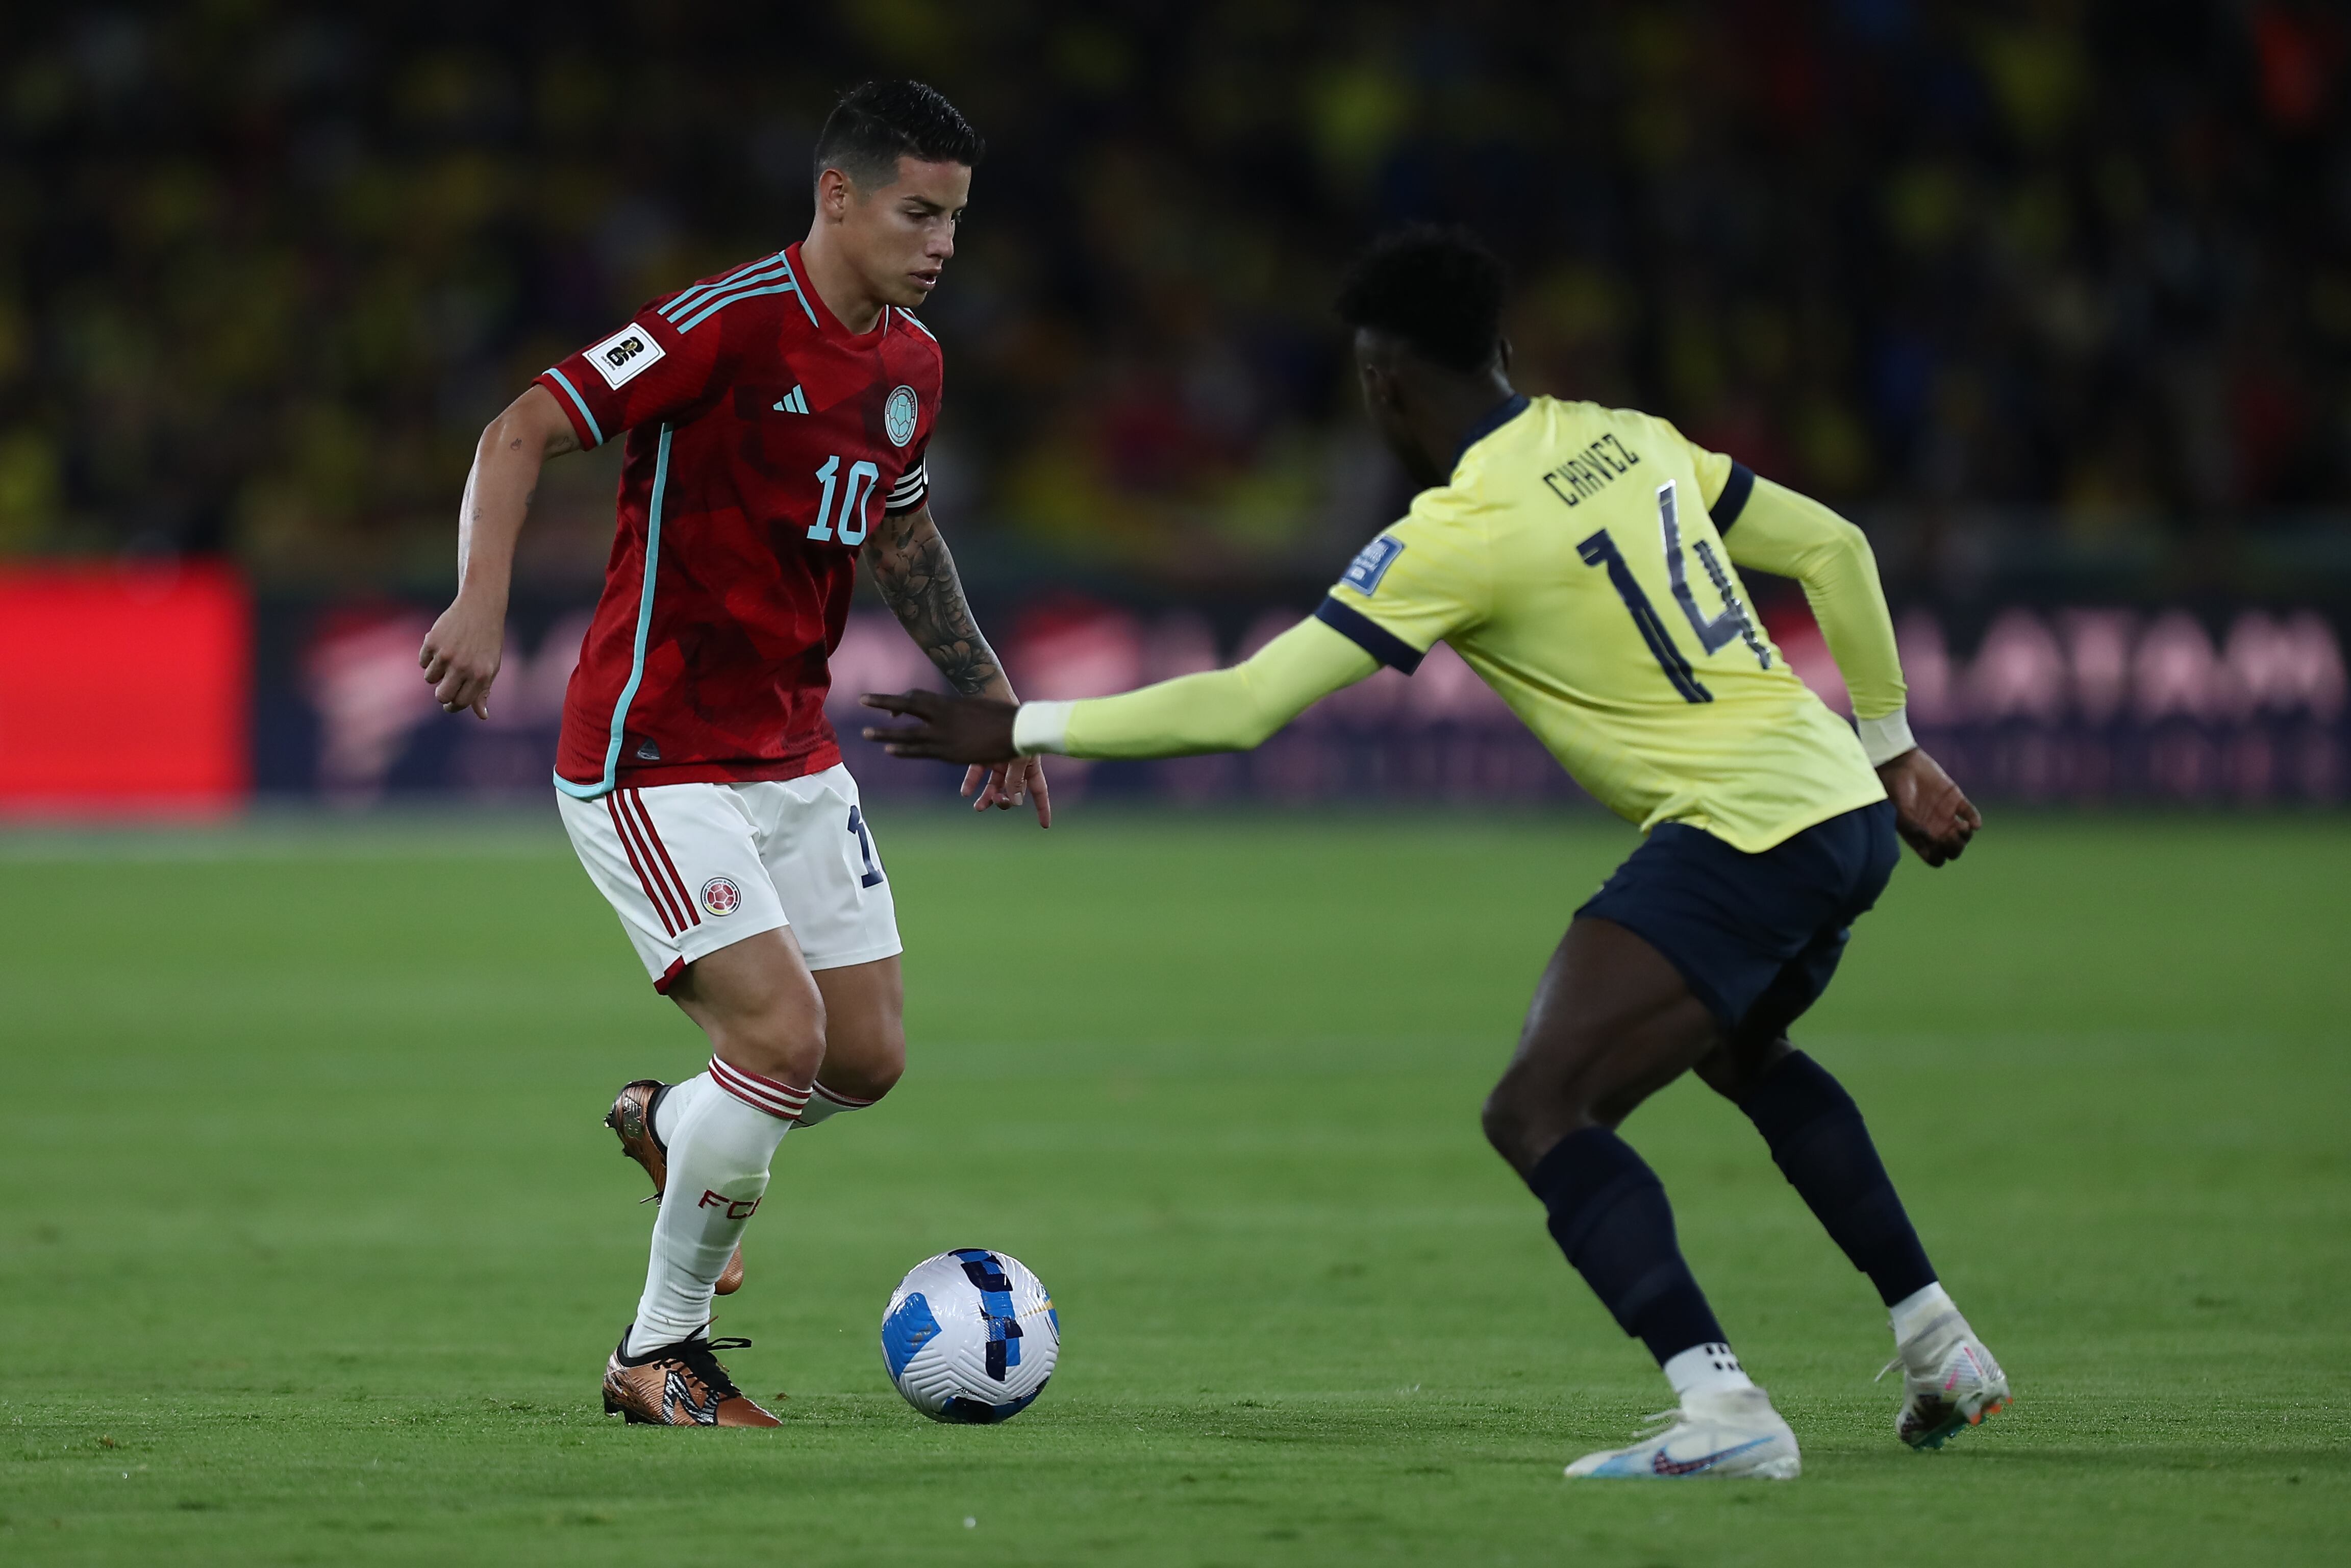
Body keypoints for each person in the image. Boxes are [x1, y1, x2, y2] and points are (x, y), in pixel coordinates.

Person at [862, 226, 2006, 1479]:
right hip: (1841, 805)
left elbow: (1246, 705)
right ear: (1500, 349)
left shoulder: (1452, 534)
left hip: (1742, 827)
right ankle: (1937, 1341)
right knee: (1746, 1052)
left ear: (1384, 386)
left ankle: (1722, 1407)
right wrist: (1896, 749)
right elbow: (1836, 546)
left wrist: (1020, 722)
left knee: (1539, 1110)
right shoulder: (1629, 437)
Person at [417, 80, 1048, 1427]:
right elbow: (520, 428)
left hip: (790, 754)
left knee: (862, 1058)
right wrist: (479, 600)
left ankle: (676, 1127)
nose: (943, 244)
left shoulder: (911, 368)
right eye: (918, 213)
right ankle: (660, 1351)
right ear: (838, 195)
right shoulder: (723, 325)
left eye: (956, 219)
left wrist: (991, 692)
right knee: (779, 1032)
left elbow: (901, 534)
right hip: (652, 753)